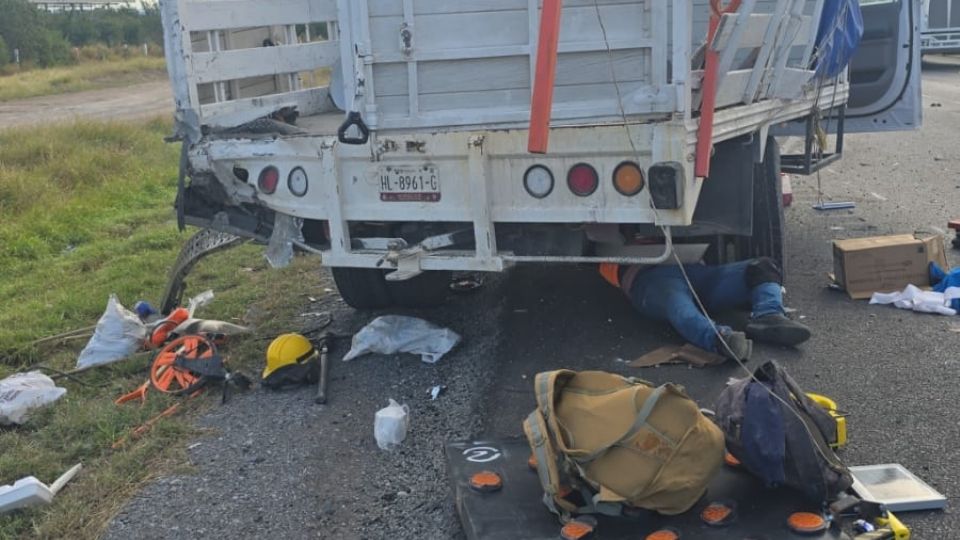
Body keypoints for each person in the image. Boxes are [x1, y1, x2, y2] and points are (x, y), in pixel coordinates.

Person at [600, 257, 811, 360]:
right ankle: (719, 339)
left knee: (761, 267)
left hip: (697, 272)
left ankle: (769, 316)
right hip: (650, 277)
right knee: (678, 304)